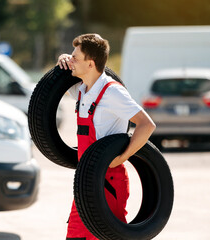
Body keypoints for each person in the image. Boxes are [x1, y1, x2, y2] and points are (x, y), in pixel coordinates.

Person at [56, 33, 156, 240]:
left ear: (91, 64)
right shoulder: (83, 90)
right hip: (85, 180)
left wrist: (122, 157)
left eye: (76, 58)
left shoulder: (112, 92)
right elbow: (59, 81)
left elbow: (147, 125)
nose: (71, 61)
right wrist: (63, 59)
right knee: (74, 235)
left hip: (109, 180)